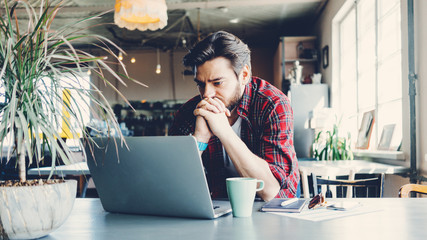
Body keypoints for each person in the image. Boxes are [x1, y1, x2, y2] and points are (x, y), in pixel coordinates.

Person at [169, 31, 299, 201]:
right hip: (218, 204)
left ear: (244, 75)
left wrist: (224, 132)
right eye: (201, 84)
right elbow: (171, 185)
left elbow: (271, 192)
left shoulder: (273, 104)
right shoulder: (189, 112)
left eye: (217, 83)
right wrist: (199, 140)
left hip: (270, 206)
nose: (207, 94)